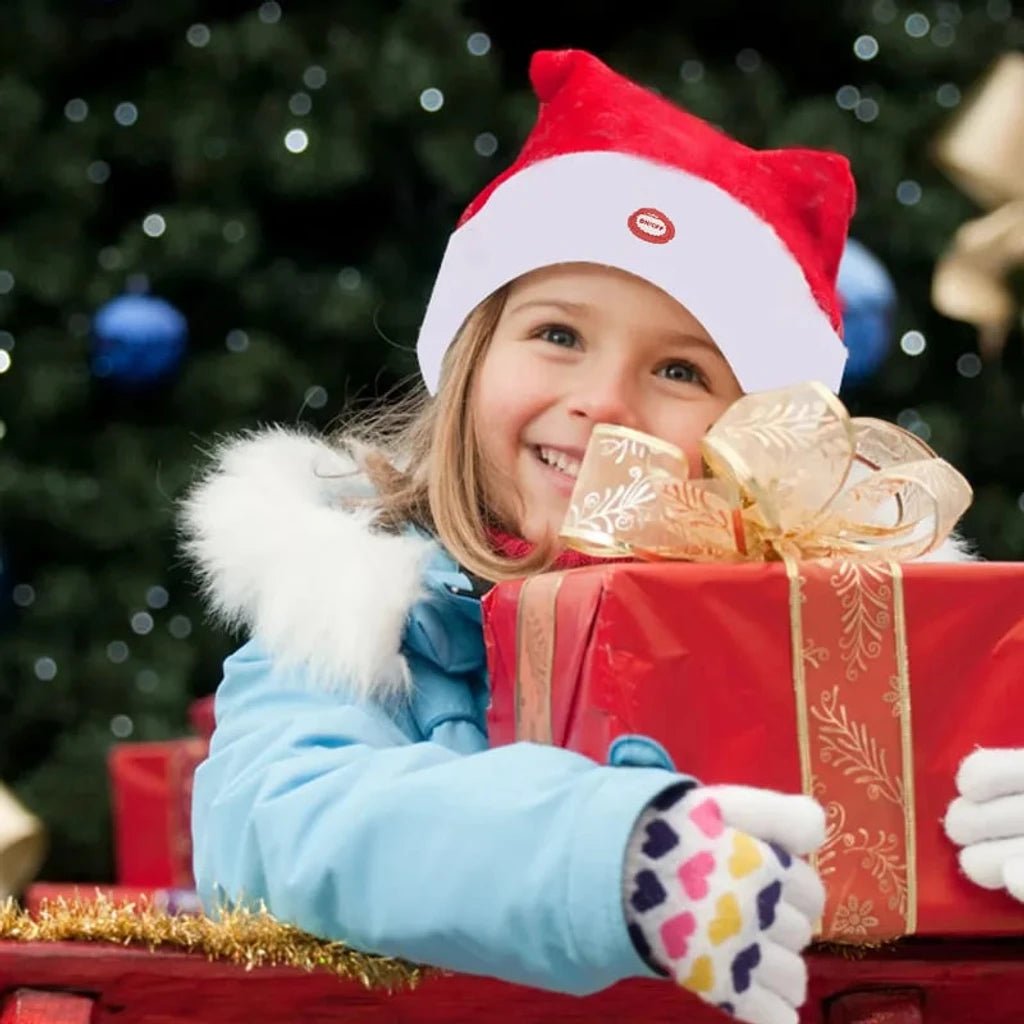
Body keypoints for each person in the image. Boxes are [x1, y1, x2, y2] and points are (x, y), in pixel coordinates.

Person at [182, 49, 1024, 1024]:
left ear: (758, 435)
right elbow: (276, 824)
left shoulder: (852, 646)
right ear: (469, 355)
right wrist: (603, 851)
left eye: (678, 371)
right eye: (557, 335)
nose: (601, 404)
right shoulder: (359, 615)